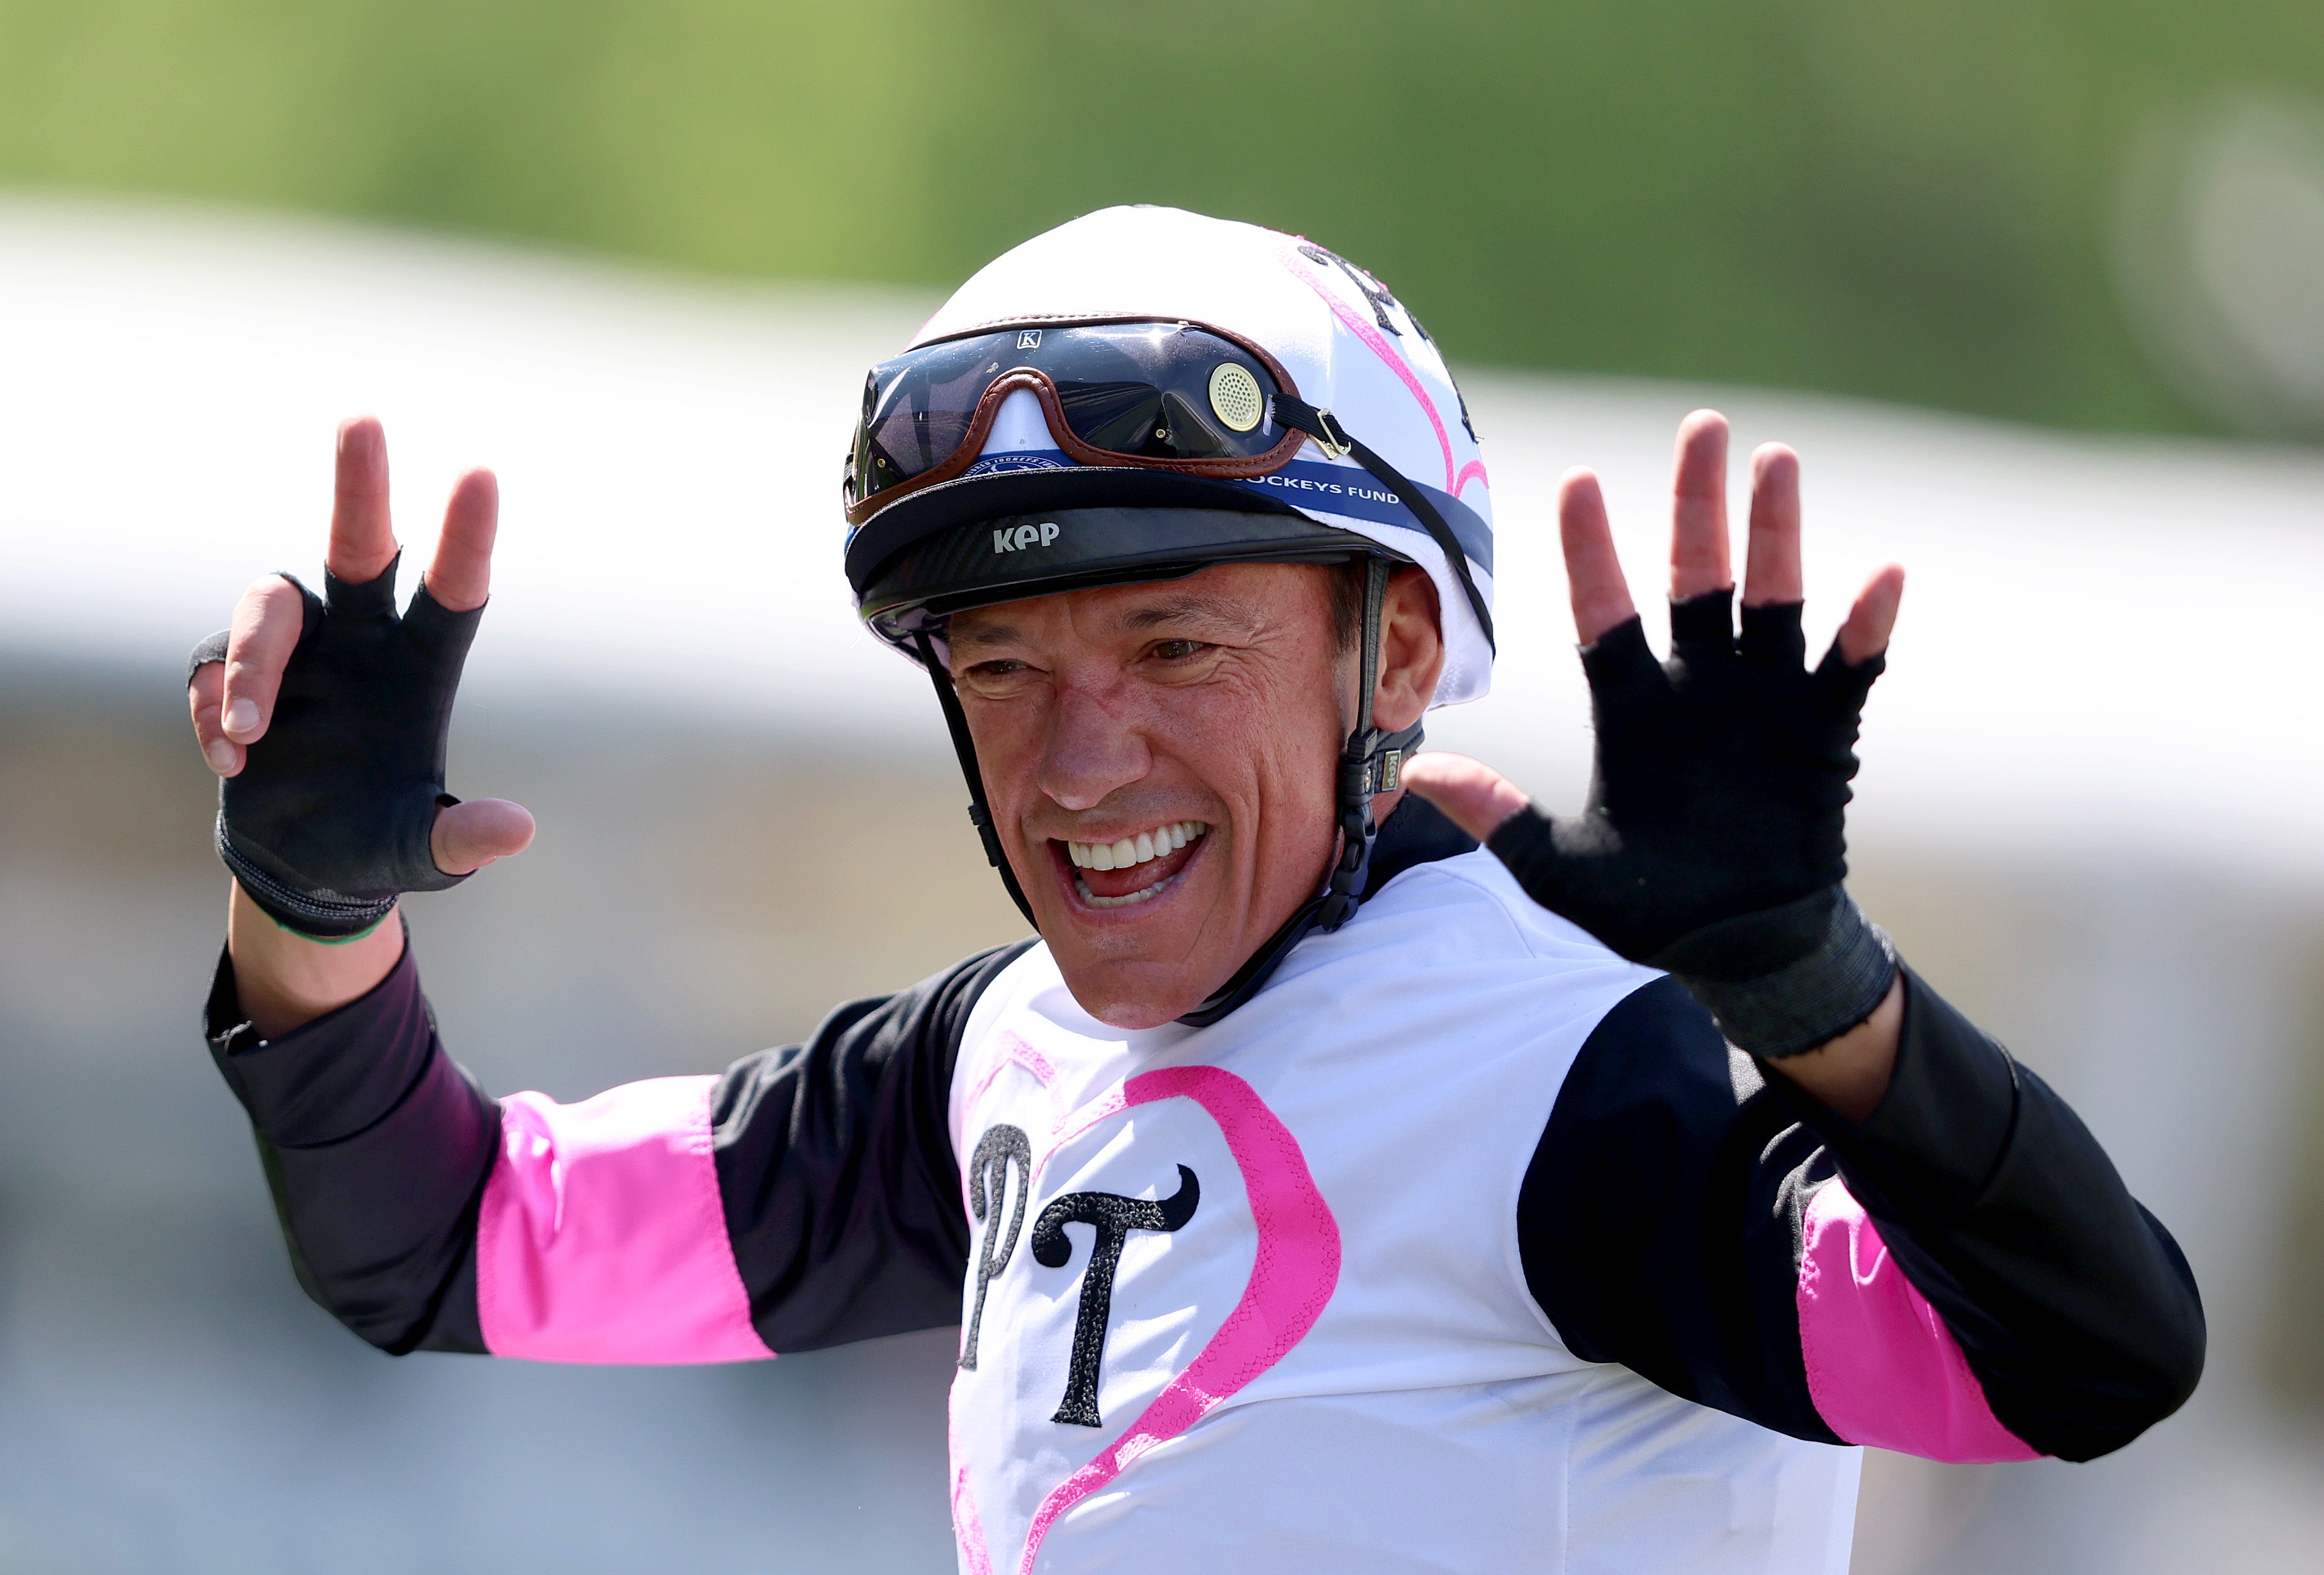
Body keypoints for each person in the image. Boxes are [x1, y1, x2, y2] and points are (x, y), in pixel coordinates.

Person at [186, 207, 2202, 1574]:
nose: (1078, 767)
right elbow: (439, 1248)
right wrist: (311, 914)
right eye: (999, 669)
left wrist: (1817, 997)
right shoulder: (990, 1063)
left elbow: (2090, 1362)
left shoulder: (1589, 1075)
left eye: (1173, 653)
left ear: (1396, 658)